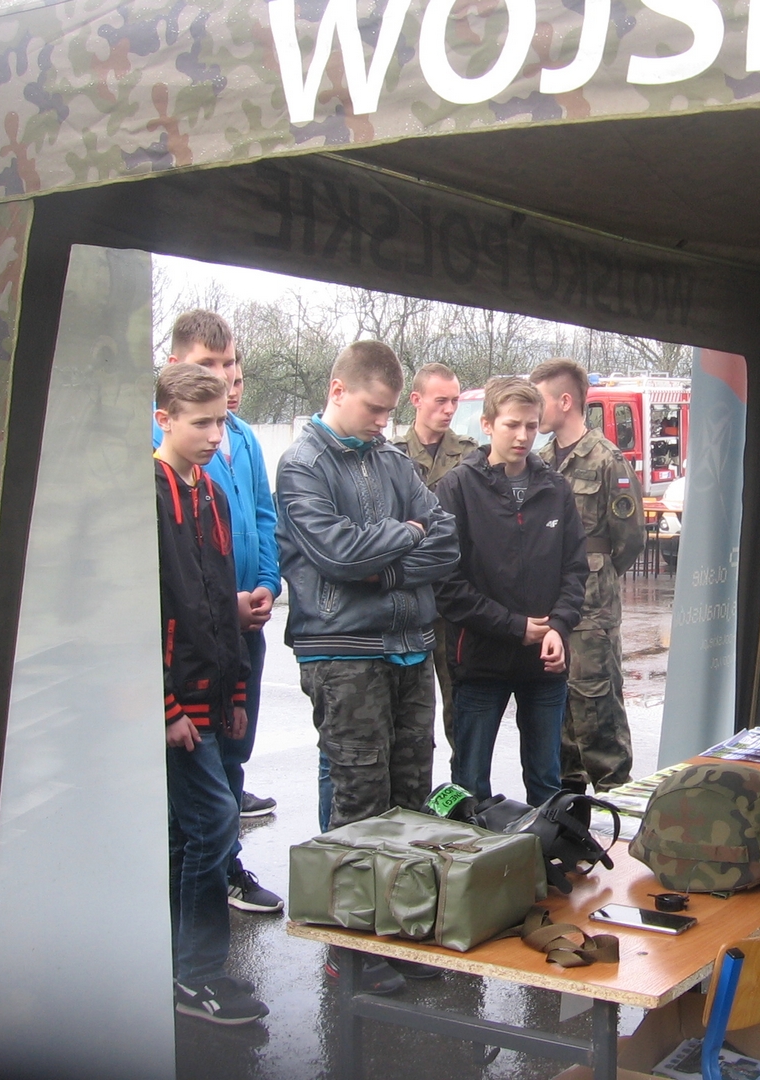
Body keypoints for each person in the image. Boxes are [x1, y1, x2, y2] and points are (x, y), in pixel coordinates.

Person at [276, 340, 459, 993]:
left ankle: (402, 932)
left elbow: (448, 543)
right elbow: (337, 554)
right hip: (343, 651)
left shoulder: (393, 460)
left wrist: (386, 563)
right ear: (338, 390)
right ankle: (349, 945)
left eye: (389, 412)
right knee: (360, 799)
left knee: (411, 796)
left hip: (410, 645)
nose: (384, 423)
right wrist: (405, 535)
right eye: (374, 410)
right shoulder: (302, 465)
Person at [155, 312, 283, 915]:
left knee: (226, 773)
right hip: (183, 663)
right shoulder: (155, 477)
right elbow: (162, 598)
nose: (226, 377)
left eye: (230, 363)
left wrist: (265, 586)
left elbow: (261, 516)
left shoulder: (234, 452)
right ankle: (191, 939)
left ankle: (217, 877)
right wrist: (166, 704)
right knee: (202, 808)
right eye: (210, 365)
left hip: (232, 644)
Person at [153, 363, 268, 1026]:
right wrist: (166, 707)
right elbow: (148, 609)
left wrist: (236, 692)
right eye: (200, 423)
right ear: (164, 419)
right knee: (215, 823)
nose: (215, 436)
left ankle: (176, 966)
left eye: (221, 421)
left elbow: (221, 602)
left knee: (188, 832)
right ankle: (195, 974)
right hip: (173, 701)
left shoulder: (213, 495)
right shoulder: (147, 492)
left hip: (213, 692)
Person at [433, 377, 588, 806]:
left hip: (544, 663)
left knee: (546, 782)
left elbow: (575, 569)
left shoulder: (555, 489)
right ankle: (471, 847)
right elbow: (447, 584)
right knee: (469, 785)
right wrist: (513, 626)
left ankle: (547, 846)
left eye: (532, 426)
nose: (523, 436)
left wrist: (558, 626)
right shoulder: (456, 488)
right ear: (487, 425)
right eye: (512, 425)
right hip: (481, 660)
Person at [530, 358, 644, 793]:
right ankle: (568, 807)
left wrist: (597, 574)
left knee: (597, 705)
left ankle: (617, 798)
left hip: (592, 608)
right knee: (557, 711)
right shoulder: (540, 461)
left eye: (539, 400)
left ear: (565, 401)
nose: (533, 411)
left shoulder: (606, 459)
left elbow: (629, 539)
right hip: (549, 604)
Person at [394, 362, 478, 757]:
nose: (449, 409)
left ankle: (466, 783)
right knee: (409, 713)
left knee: (461, 706)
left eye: (455, 401)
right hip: (407, 596)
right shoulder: (391, 455)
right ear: (416, 400)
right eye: (440, 400)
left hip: (455, 598)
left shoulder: (471, 455)